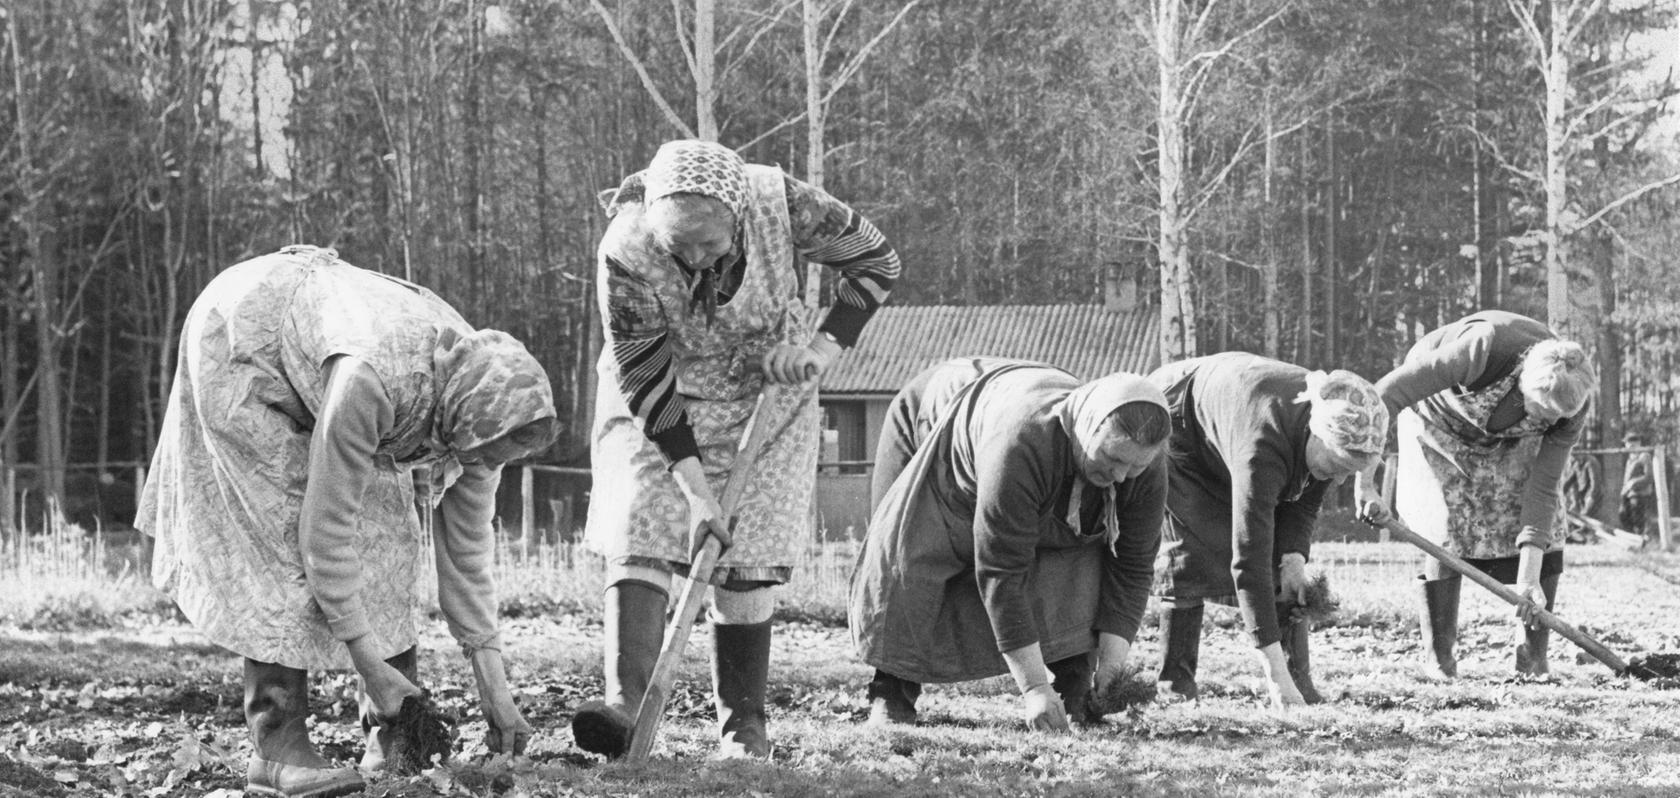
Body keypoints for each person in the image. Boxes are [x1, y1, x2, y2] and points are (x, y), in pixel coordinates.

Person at [136, 245, 559, 798]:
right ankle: (277, 745)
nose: (481, 466)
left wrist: (493, 684)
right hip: (246, 338)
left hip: (340, 359)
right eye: (479, 454)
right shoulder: (376, 379)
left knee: (392, 538)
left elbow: (467, 552)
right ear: (457, 418)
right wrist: (367, 660)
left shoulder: (486, 405)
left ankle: (396, 731)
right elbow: (324, 536)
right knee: (281, 537)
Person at [574, 139, 901, 758]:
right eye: (680, 246)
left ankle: (742, 727)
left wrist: (817, 352)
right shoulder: (625, 249)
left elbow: (877, 262)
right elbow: (646, 378)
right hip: (661, 391)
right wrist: (697, 493)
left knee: (748, 555)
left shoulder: (783, 203)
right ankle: (625, 706)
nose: (695, 259)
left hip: (766, 393)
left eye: (710, 244)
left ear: (740, 217)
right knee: (641, 520)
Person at [850, 358, 1169, 732]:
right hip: (939, 419)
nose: (1119, 475)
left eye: (1133, 468)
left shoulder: (1144, 460)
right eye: (1113, 458)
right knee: (912, 552)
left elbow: (1131, 565)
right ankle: (891, 693)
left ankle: (1075, 687)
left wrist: (1112, 670)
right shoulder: (1022, 441)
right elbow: (1001, 568)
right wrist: (1033, 688)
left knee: (1080, 552)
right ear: (1089, 427)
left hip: (1018, 419)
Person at [1355, 310, 1596, 678]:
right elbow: (1386, 395)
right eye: (1542, 412)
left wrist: (1527, 579)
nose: (1548, 424)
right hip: (1440, 417)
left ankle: (1532, 660)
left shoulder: (1570, 404)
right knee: (1447, 521)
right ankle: (1441, 660)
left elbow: (1543, 488)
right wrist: (1365, 482)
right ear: (1524, 386)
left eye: (1555, 419)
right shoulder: (1481, 350)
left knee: (1553, 525)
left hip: (1510, 436)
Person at [1150, 352, 1387, 709]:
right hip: (1179, 419)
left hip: (1232, 413)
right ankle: (1177, 685)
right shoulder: (1263, 449)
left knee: (1283, 566)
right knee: (1191, 555)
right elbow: (1249, 562)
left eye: (1347, 473)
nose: (1339, 479)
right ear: (1316, 434)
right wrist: (1273, 680)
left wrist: (1294, 558)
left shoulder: (1333, 421)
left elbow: (1304, 500)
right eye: (1337, 466)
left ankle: (1299, 679)